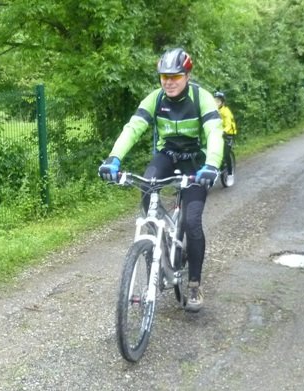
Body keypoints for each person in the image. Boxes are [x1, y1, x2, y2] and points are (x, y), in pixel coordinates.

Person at [98, 47, 224, 312]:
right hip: (166, 155)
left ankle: (194, 284)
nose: (169, 81)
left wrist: (211, 165)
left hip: (196, 161)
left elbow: (214, 132)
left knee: (192, 221)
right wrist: (113, 158)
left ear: (187, 76)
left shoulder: (202, 99)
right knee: (146, 189)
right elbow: (133, 128)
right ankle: (159, 239)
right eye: (164, 76)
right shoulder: (155, 99)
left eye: (175, 76)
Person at [213, 91, 236, 187]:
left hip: (228, 134)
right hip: (216, 134)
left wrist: (223, 132)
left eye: (218, 101)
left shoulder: (226, 112)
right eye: (215, 101)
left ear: (222, 102)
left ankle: (230, 174)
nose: (216, 103)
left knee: (225, 153)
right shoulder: (213, 111)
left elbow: (229, 125)